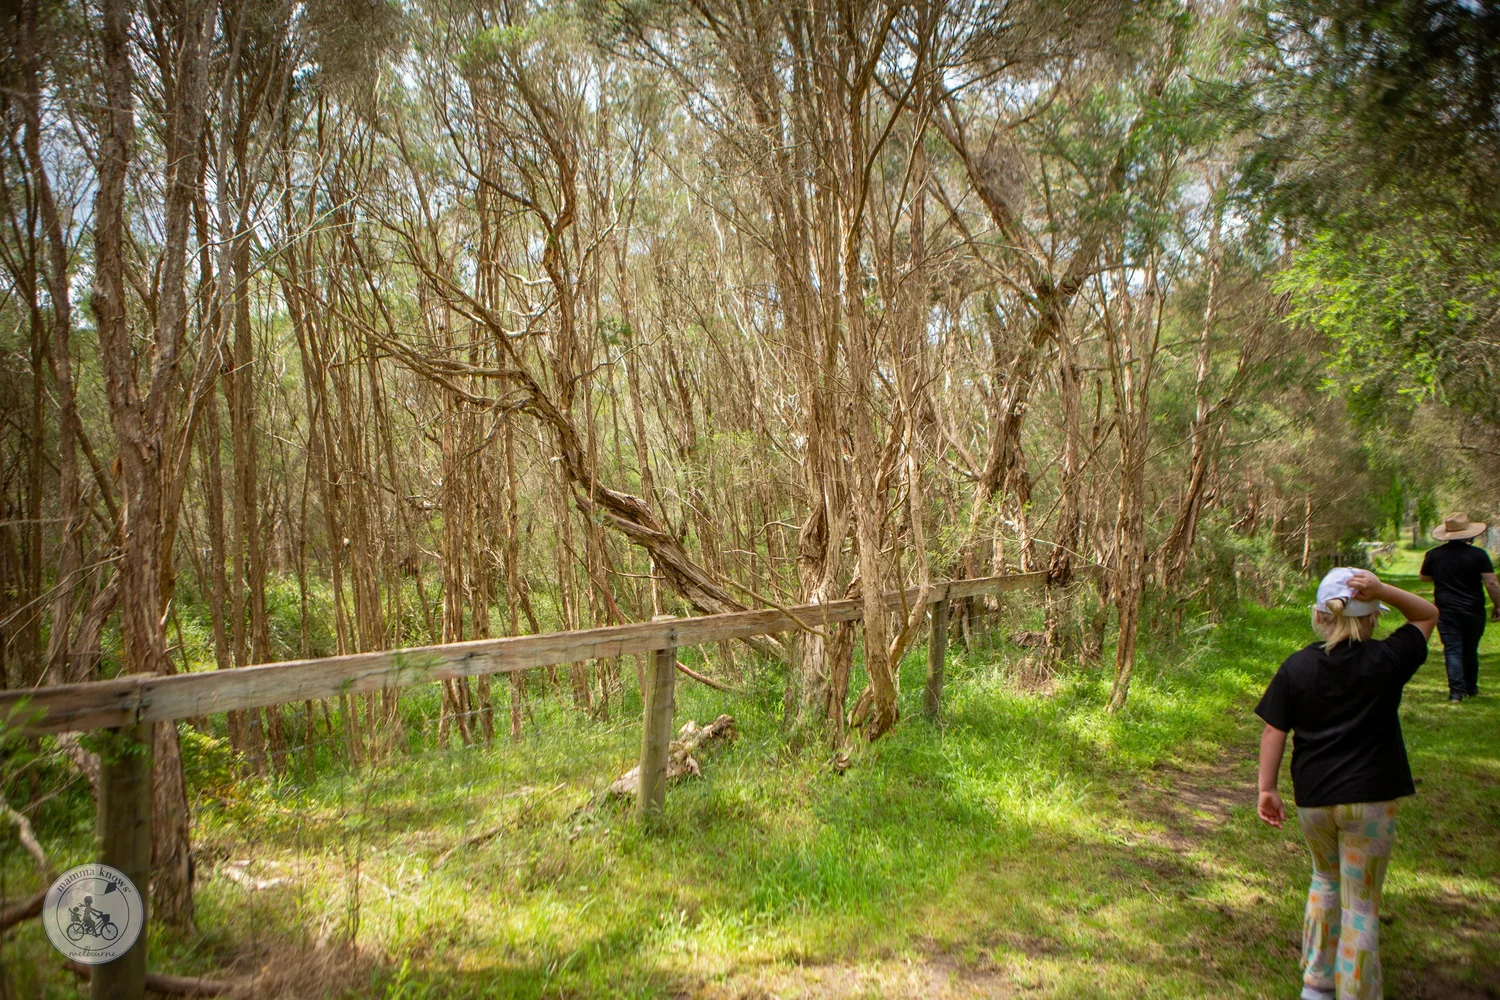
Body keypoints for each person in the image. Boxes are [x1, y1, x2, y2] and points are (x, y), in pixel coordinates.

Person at [1255, 567, 1438, 1000]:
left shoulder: (1296, 666)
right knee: (1361, 902)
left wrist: (1267, 788)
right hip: (1372, 803)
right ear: (1373, 618)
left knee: (1324, 880)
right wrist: (1384, 590)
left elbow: (1272, 732)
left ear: (1319, 616)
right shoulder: (1388, 659)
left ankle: (1317, 986)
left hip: (1315, 801)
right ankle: (1356, 991)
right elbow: (1428, 614)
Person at [1419, 512, 1500, 702]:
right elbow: (1491, 583)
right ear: (1468, 534)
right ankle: (1471, 687)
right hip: (1473, 609)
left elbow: (1424, 577)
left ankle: (1456, 692)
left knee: (1452, 649)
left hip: (1445, 609)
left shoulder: (1434, 554)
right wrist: (1498, 605)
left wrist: (1442, 574)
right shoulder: (1479, 555)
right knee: (1470, 648)